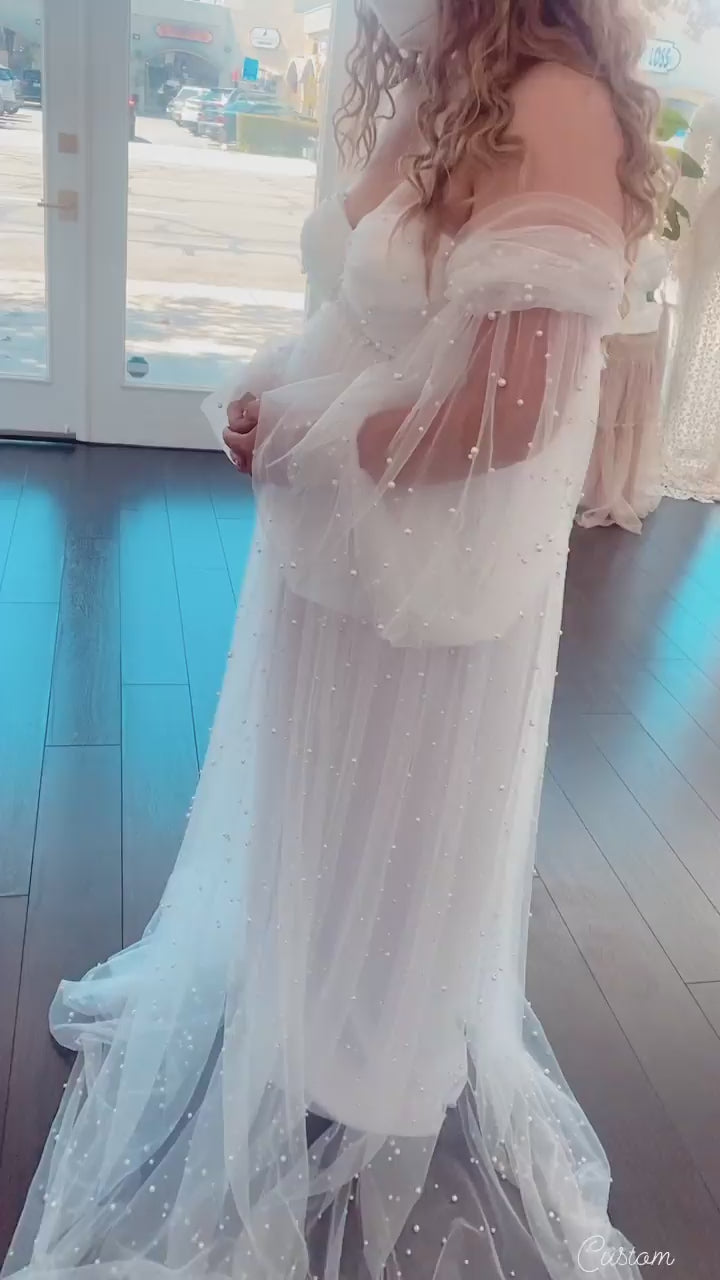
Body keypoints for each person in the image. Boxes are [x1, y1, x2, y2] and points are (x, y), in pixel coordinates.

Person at [3, 3, 663, 1279]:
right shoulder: (447, 84)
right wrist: (275, 393)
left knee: (395, 817)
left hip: (430, 575)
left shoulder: (558, 105)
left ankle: (367, 1060)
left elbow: (514, 411)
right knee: (321, 797)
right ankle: (306, 1000)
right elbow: (375, 313)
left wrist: (309, 432)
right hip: (343, 542)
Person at [577, 231, 669, 533]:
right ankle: (618, 488)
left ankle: (598, 488)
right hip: (637, 335)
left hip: (620, 336)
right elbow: (651, 289)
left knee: (606, 419)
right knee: (626, 420)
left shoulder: (601, 246)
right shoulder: (652, 251)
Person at [662, 97, 720, 500]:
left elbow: (691, 187)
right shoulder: (712, 113)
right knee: (698, 338)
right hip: (710, 240)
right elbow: (691, 184)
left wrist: (673, 246)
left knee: (698, 337)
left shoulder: (712, 113)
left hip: (710, 239)